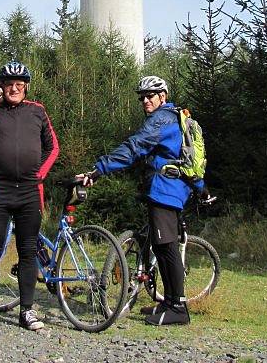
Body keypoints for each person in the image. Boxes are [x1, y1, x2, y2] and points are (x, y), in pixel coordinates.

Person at [77, 75, 207, 326]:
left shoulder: (162, 120)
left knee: (167, 248)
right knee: (161, 246)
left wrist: (99, 169)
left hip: (165, 191)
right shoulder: (174, 119)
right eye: (142, 97)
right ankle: (168, 303)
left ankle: (178, 308)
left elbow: (135, 147)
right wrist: (201, 189)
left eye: (151, 96)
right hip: (170, 190)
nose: (145, 100)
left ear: (163, 97)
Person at [0, 60, 59, 334]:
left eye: (19, 85)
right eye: (8, 85)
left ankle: (27, 310)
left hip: (30, 191)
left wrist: (39, 174)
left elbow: (53, 147)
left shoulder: (37, 111)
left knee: (28, 252)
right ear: (2, 87)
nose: (14, 89)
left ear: (26, 87)